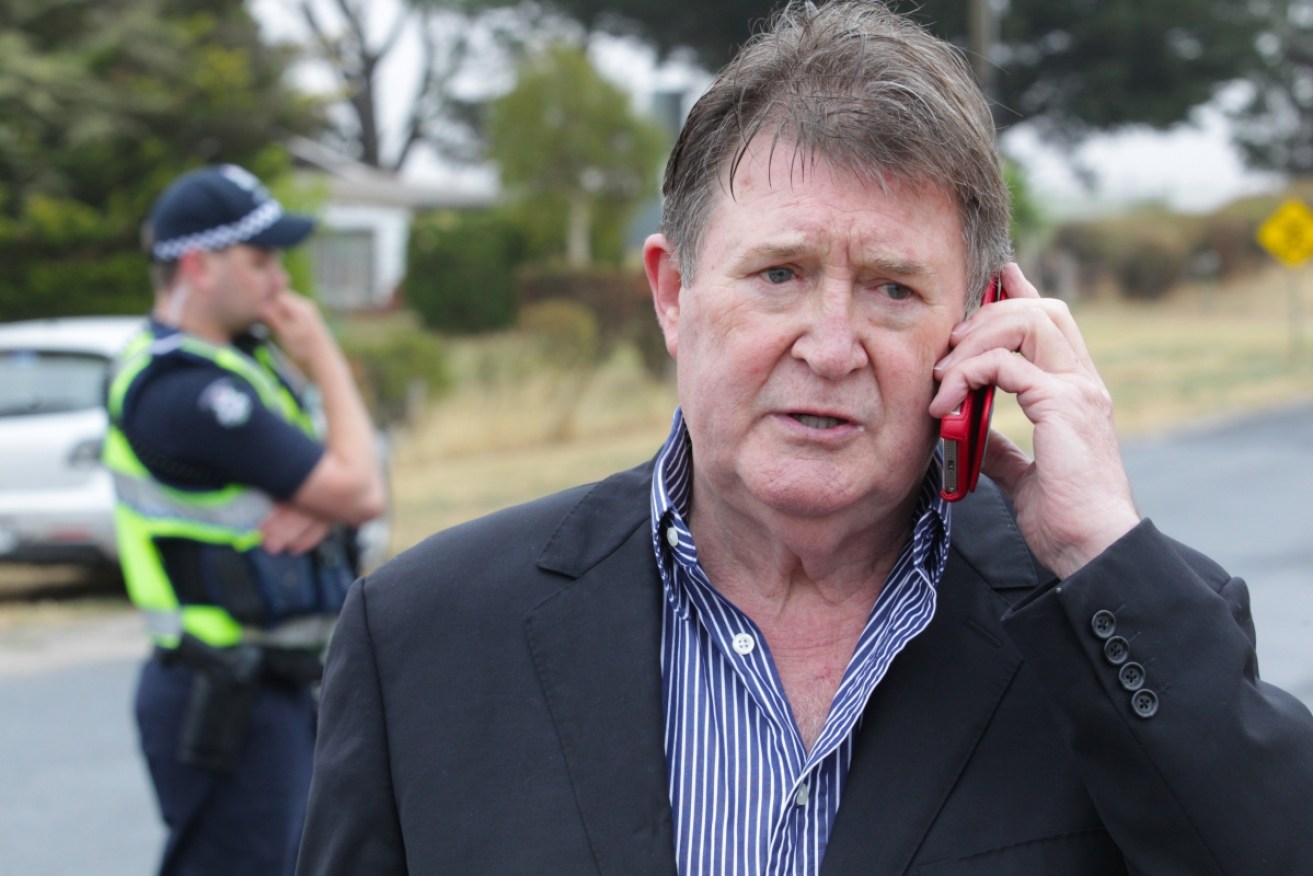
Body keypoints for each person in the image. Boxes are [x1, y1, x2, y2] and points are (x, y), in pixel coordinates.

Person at [296, 2, 1313, 873]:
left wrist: (1095, 550)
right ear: (672, 296)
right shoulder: (421, 635)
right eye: (778, 274)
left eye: (891, 288)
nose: (829, 349)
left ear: (983, 322)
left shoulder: (1113, 624)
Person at [104, 163, 386, 876]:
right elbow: (360, 490)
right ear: (198, 266)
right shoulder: (186, 391)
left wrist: (327, 504)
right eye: (259, 260)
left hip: (274, 682)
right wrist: (323, 357)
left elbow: (354, 483)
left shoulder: (237, 362)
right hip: (224, 690)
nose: (280, 281)